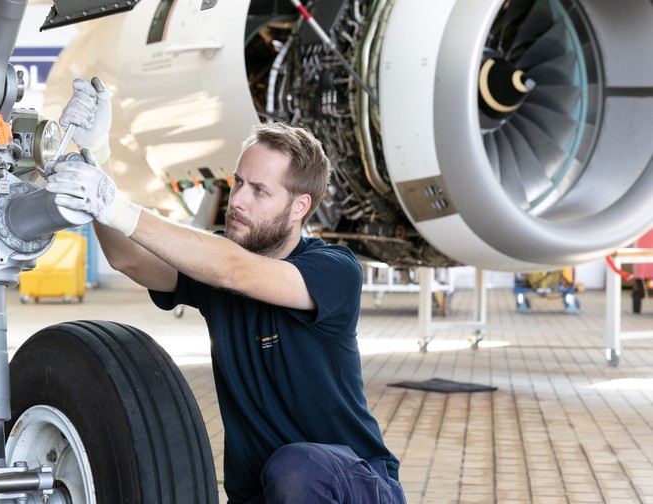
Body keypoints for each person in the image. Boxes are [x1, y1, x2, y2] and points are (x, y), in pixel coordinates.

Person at [47, 78, 407, 504]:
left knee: (298, 468)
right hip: (264, 492)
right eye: (238, 182)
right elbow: (129, 259)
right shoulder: (217, 265)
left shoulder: (333, 271)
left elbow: (233, 271)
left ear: (299, 207)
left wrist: (118, 207)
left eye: (259, 191)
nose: (237, 200)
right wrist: (98, 156)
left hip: (353, 486)